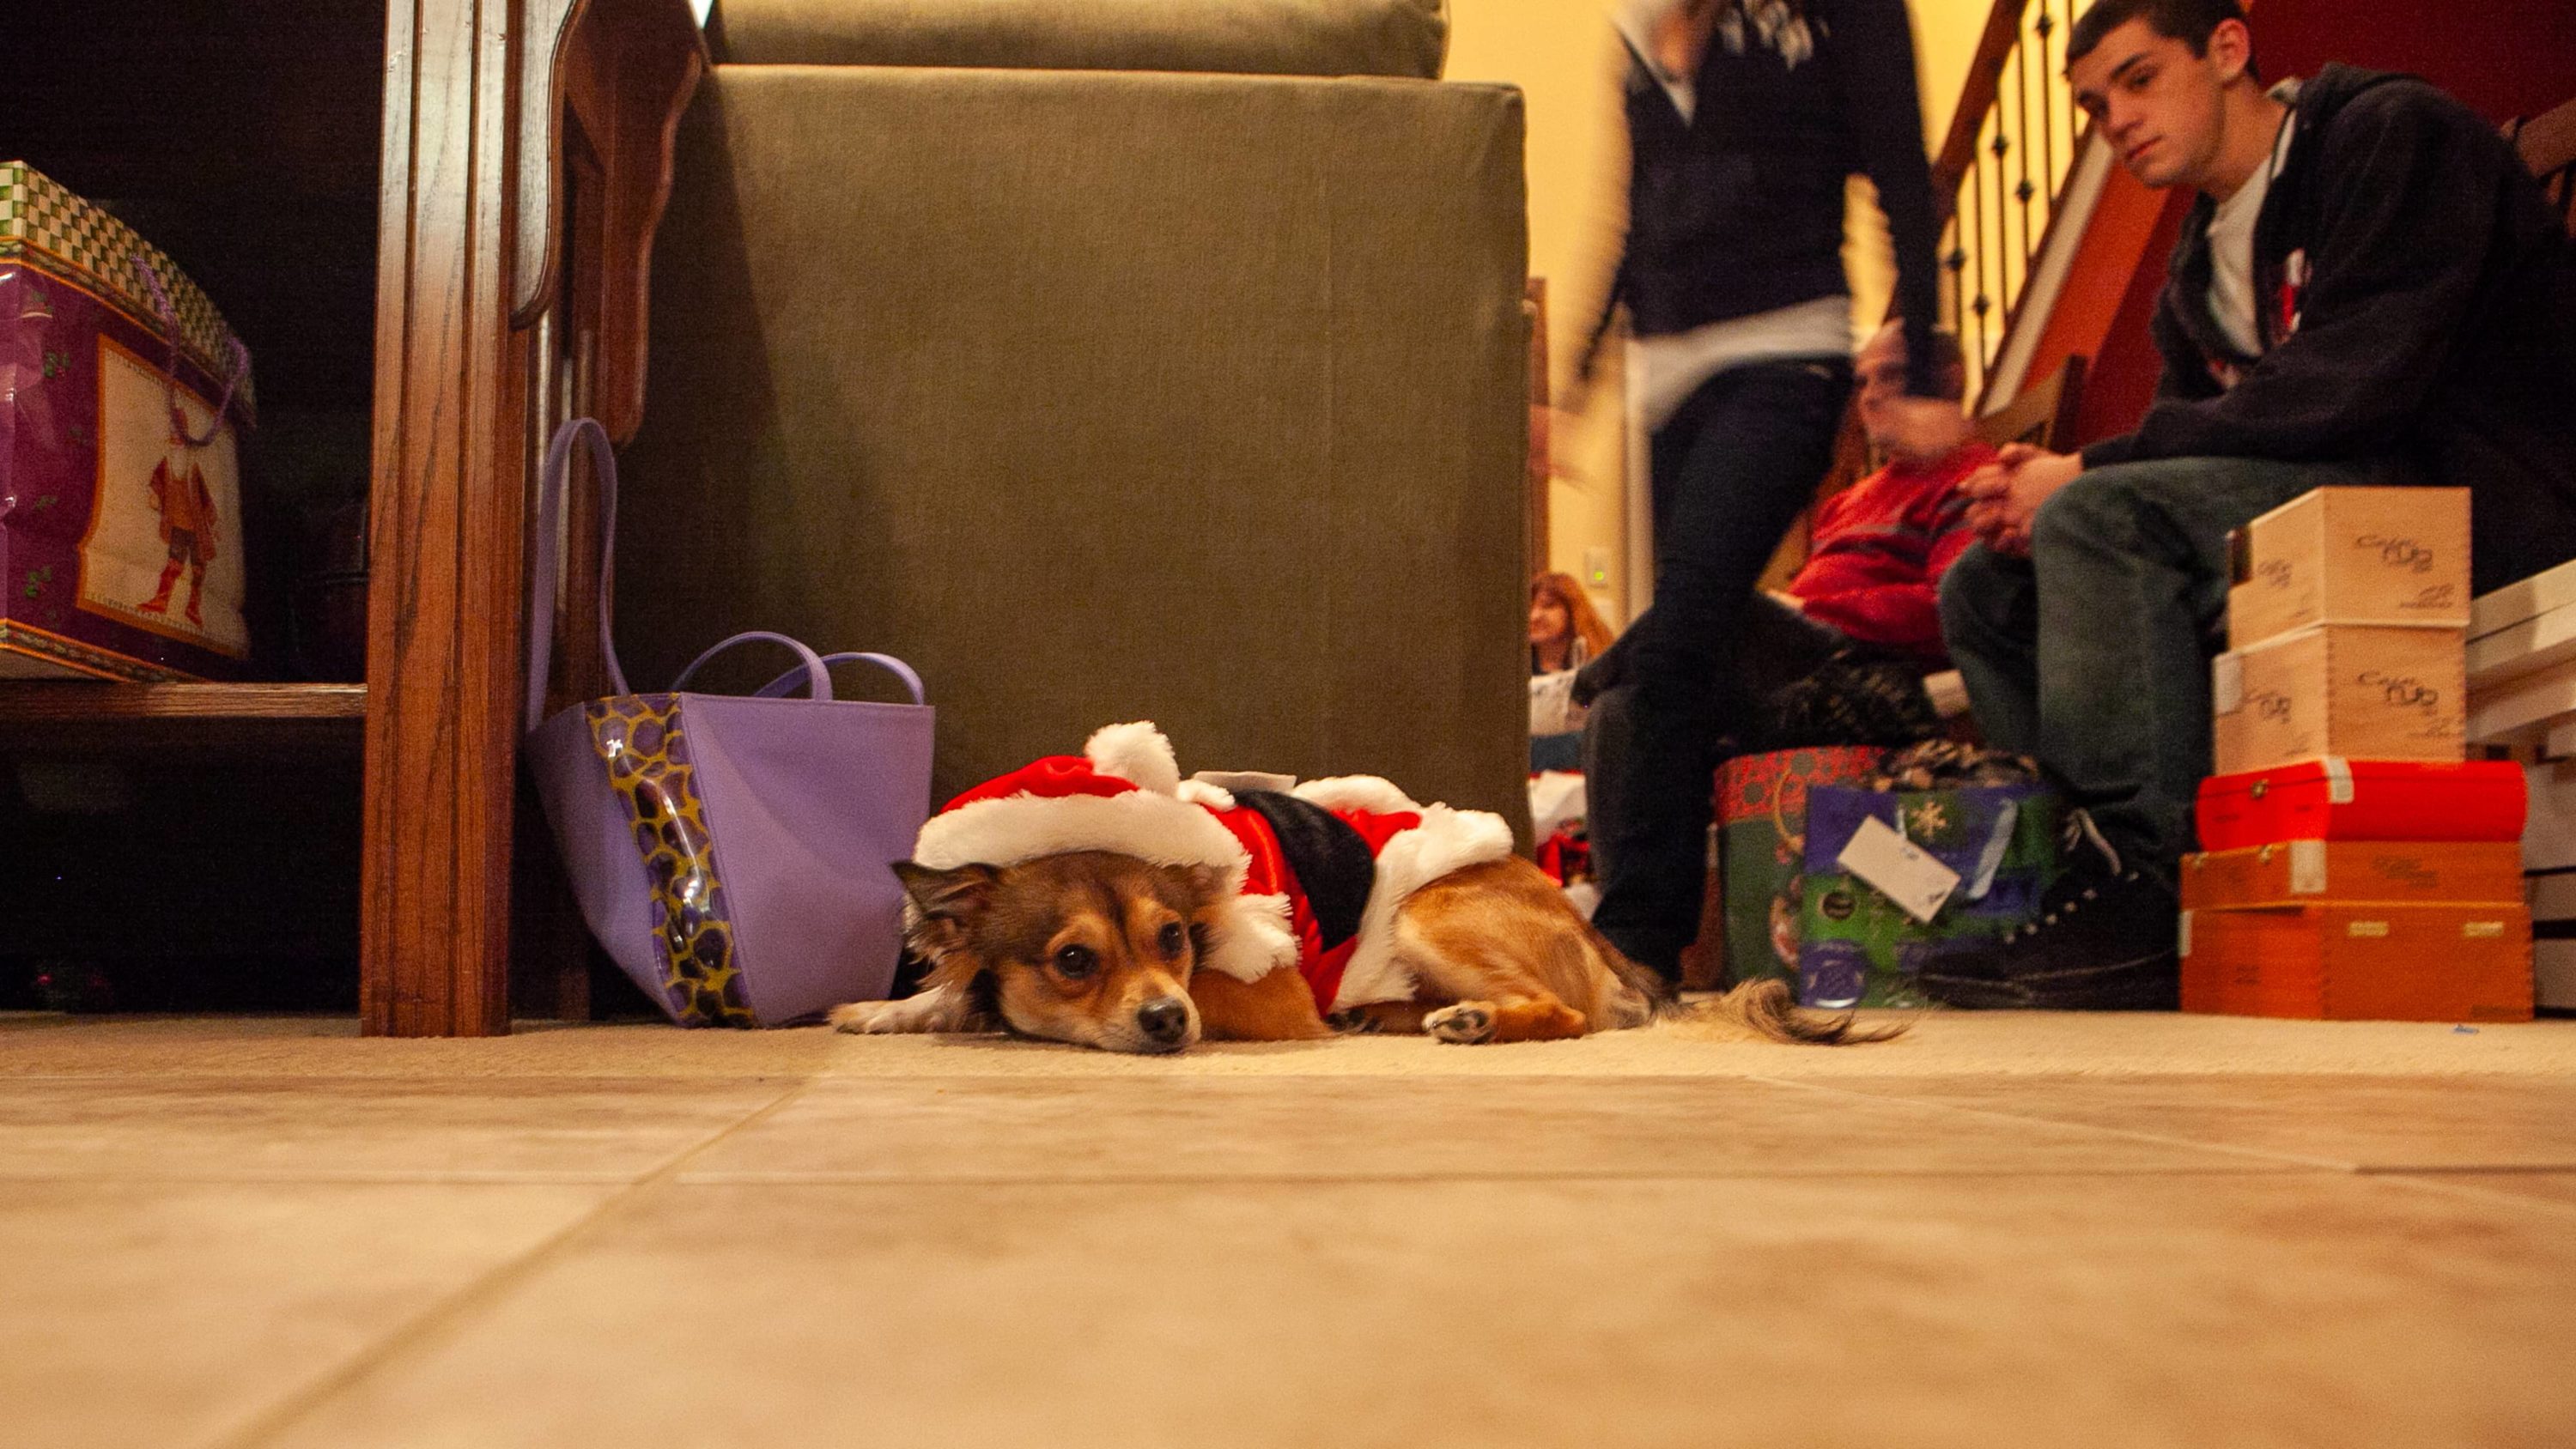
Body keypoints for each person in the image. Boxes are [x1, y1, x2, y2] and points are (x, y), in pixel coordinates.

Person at [1931, 0, 2576, 1009]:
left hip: (2470, 495)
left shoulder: (2386, 135)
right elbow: (2195, 449)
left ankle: (2148, 902)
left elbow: (2358, 385)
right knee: (1986, 586)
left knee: (2097, 520)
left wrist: (2087, 469)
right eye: (2098, 106)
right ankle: (2081, 875)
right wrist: (2038, 494)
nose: (2119, 120)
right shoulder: (2195, 268)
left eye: (2140, 80)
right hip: (2330, 511)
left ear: (2228, 49)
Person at [1572, 0, 1968, 985]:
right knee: (1685, 645)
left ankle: (1636, 941)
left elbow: (1902, 180)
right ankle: (1701, 928)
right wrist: (1573, 380)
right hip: (1668, 379)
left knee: (1678, 633)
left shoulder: (1844, 12)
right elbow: (1637, 212)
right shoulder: (1637, 24)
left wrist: (1921, 365)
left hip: (1784, 356)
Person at [1580, 320, 1991, 949]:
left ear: (1949, 383)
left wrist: (1809, 605)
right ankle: (1629, 943)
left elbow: (1947, 609)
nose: (1871, 395)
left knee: (1719, 607)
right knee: (1624, 708)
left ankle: (1588, 675)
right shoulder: (1846, 503)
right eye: (1862, 381)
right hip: (1792, 667)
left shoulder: (1971, 478)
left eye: (1891, 376)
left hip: (1872, 674)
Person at [1530, 572, 1615, 676]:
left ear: (1572, 611)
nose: (1534, 616)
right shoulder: (1512, 667)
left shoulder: (1600, 663)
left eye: (1548, 605)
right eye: (1528, 608)